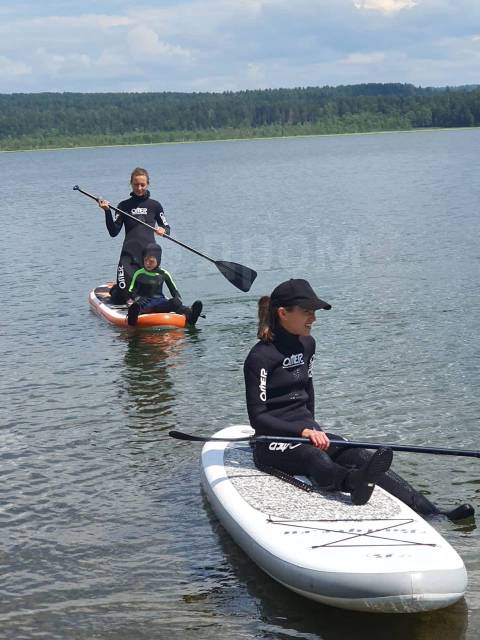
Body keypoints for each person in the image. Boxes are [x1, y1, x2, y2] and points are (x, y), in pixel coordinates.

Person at [244, 278, 473, 517]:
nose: (314, 319)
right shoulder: (260, 357)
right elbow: (258, 418)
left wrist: (312, 426)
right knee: (314, 457)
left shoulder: (307, 344)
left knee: (361, 454)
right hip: (271, 441)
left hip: (308, 432)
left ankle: (432, 512)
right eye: (307, 312)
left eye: (314, 312)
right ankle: (353, 483)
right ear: (283, 313)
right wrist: (303, 433)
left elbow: (307, 392)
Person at [98, 167, 170, 304]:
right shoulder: (123, 206)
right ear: (131, 184)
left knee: (149, 294)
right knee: (121, 297)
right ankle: (116, 290)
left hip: (149, 256)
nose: (139, 188)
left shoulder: (155, 206)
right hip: (128, 256)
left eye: (142, 184)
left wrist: (163, 231)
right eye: (136, 184)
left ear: (148, 184)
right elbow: (113, 232)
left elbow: (167, 227)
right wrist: (107, 212)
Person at [126, 243, 203, 327]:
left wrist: (178, 299)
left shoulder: (164, 273)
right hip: (145, 303)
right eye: (145, 260)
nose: (147, 263)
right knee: (137, 305)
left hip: (160, 303)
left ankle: (191, 316)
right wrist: (136, 298)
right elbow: (131, 290)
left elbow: (174, 291)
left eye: (151, 261)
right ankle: (132, 318)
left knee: (175, 302)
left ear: (158, 260)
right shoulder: (139, 273)